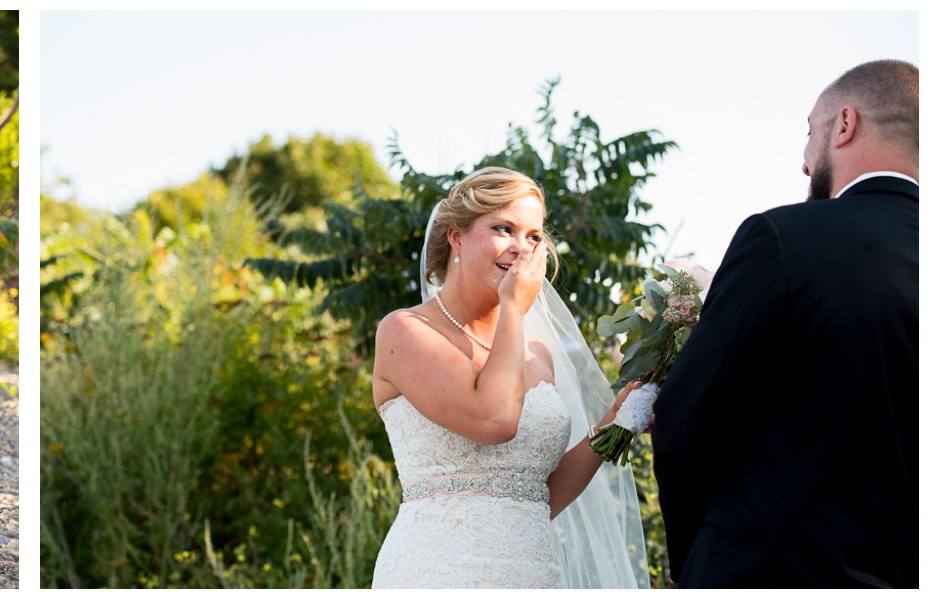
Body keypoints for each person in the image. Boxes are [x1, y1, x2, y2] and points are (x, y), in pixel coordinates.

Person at [652, 59, 918, 588]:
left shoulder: (782, 238)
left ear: (844, 125)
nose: (803, 163)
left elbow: (685, 426)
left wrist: (698, 560)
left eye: (810, 132)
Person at [370, 167, 648, 588]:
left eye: (534, 236)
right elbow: (495, 420)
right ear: (456, 237)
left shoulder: (537, 352)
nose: (523, 248)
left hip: (532, 572)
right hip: (436, 572)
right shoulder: (405, 332)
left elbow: (538, 495)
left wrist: (617, 421)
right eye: (504, 229)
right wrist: (513, 309)